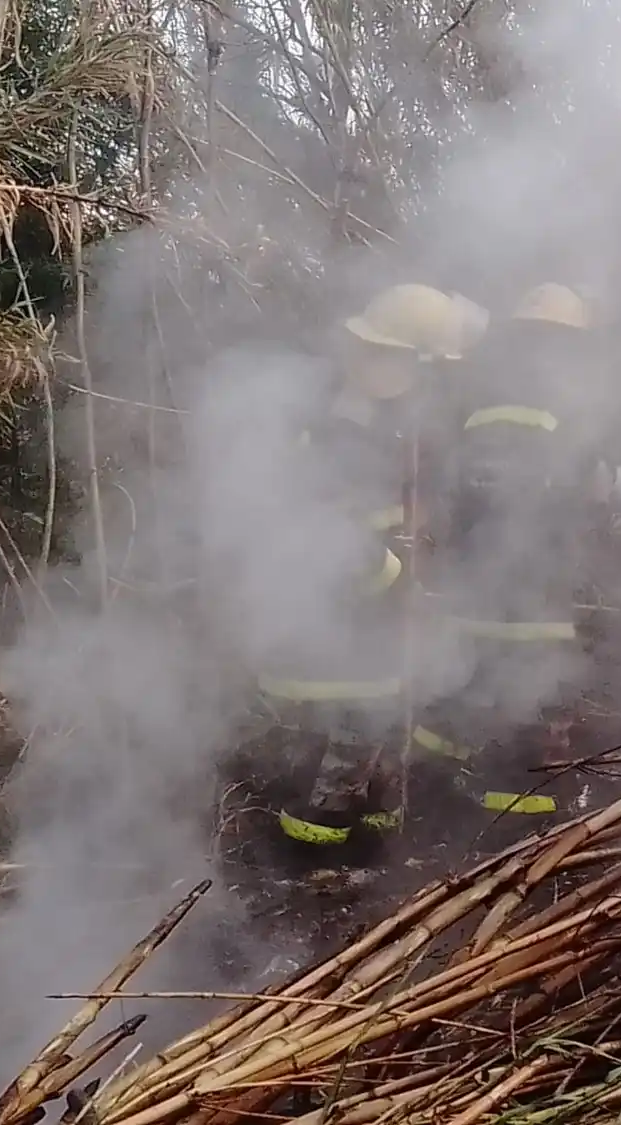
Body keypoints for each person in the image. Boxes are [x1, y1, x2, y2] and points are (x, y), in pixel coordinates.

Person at [253, 282, 488, 848]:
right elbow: (313, 530)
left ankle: (369, 861)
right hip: (336, 642)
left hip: (379, 638)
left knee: (378, 764)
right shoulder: (333, 426)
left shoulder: (396, 425)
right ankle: (305, 880)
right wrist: (388, 574)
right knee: (327, 786)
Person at [409, 282, 616, 818]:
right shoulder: (565, 400)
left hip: (475, 577)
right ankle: (525, 814)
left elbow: (454, 481)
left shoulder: (483, 395)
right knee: (532, 694)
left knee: (470, 680)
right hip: (536, 583)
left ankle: (436, 785)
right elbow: (582, 487)